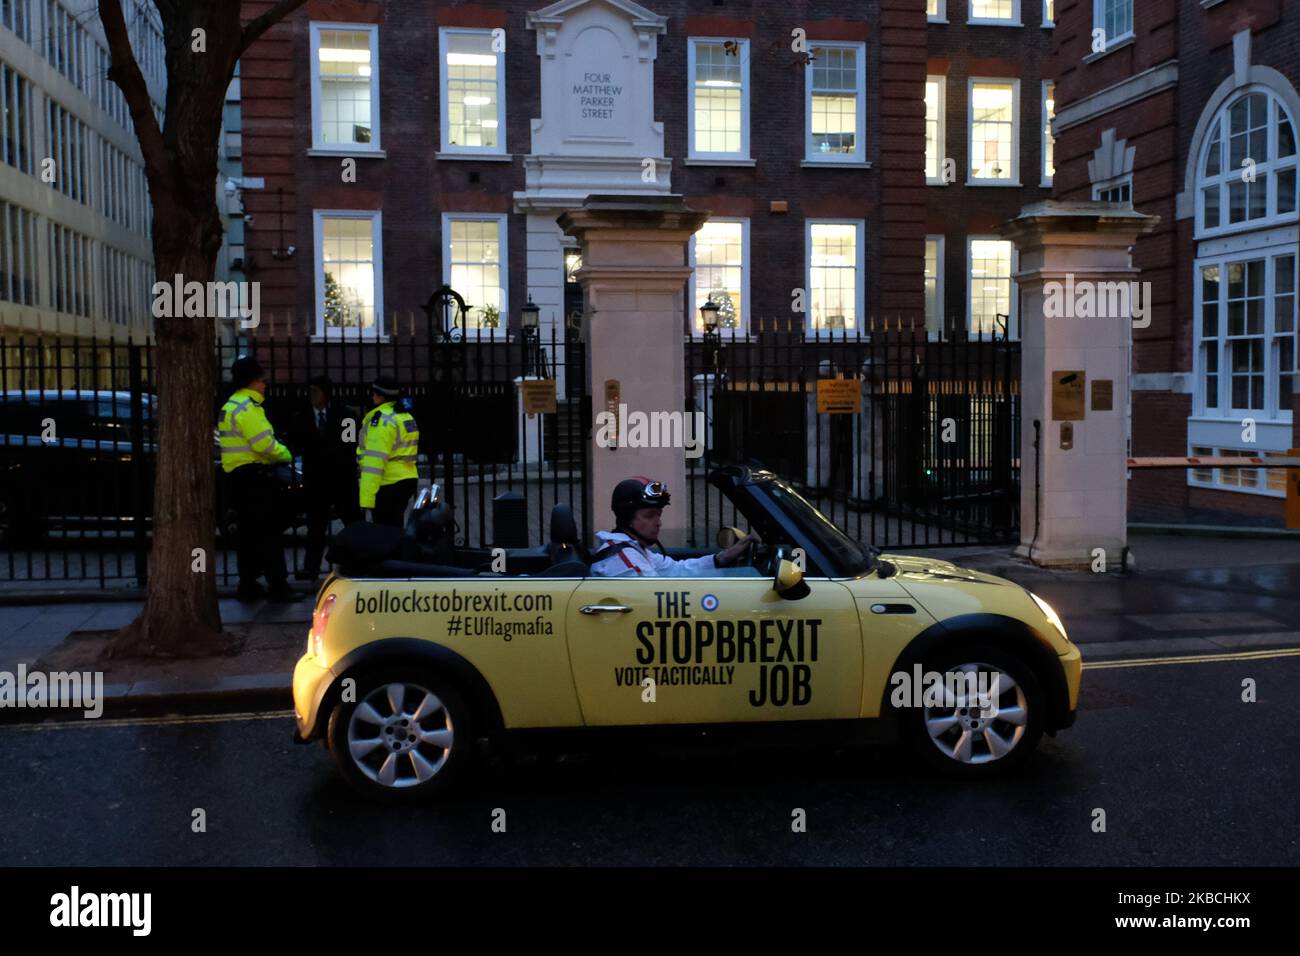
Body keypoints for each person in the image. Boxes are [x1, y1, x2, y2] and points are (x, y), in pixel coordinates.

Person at [218, 355, 296, 601]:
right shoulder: (248, 408)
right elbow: (265, 445)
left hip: (236, 478)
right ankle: (278, 586)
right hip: (255, 479)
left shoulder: (230, 405)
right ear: (252, 382)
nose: (265, 385)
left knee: (248, 536)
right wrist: (287, 453)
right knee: (270, 533)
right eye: (262, 380)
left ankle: (248, 585)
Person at [590, 477, 752, 577]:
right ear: (627, 519)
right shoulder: (624, 560)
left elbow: (677, 570)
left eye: (659, 515)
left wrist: (721, 559)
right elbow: (656, 597)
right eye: (649, 516)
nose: (658, 522)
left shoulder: (636, 550)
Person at [290, 375, 362, 581]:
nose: (312, 396)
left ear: (326, 394)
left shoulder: (345, 415)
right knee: (315, 527)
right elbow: (296, 444)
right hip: (316, 481)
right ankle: (310, 568)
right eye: (310, 391)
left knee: (353, 522)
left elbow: (350, 444)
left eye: (316, 391)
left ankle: (358, 562)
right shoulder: (301, 416)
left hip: (341, 479)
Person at [357, 375, 421, 527]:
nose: (372, 396)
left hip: (388, 483)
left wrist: (367, 499)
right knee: (395, 527)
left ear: (380, 395)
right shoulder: (404, 415)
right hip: (407, 479)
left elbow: (374, 461)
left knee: (384, 532)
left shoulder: (381, 420)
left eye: (373, 393)